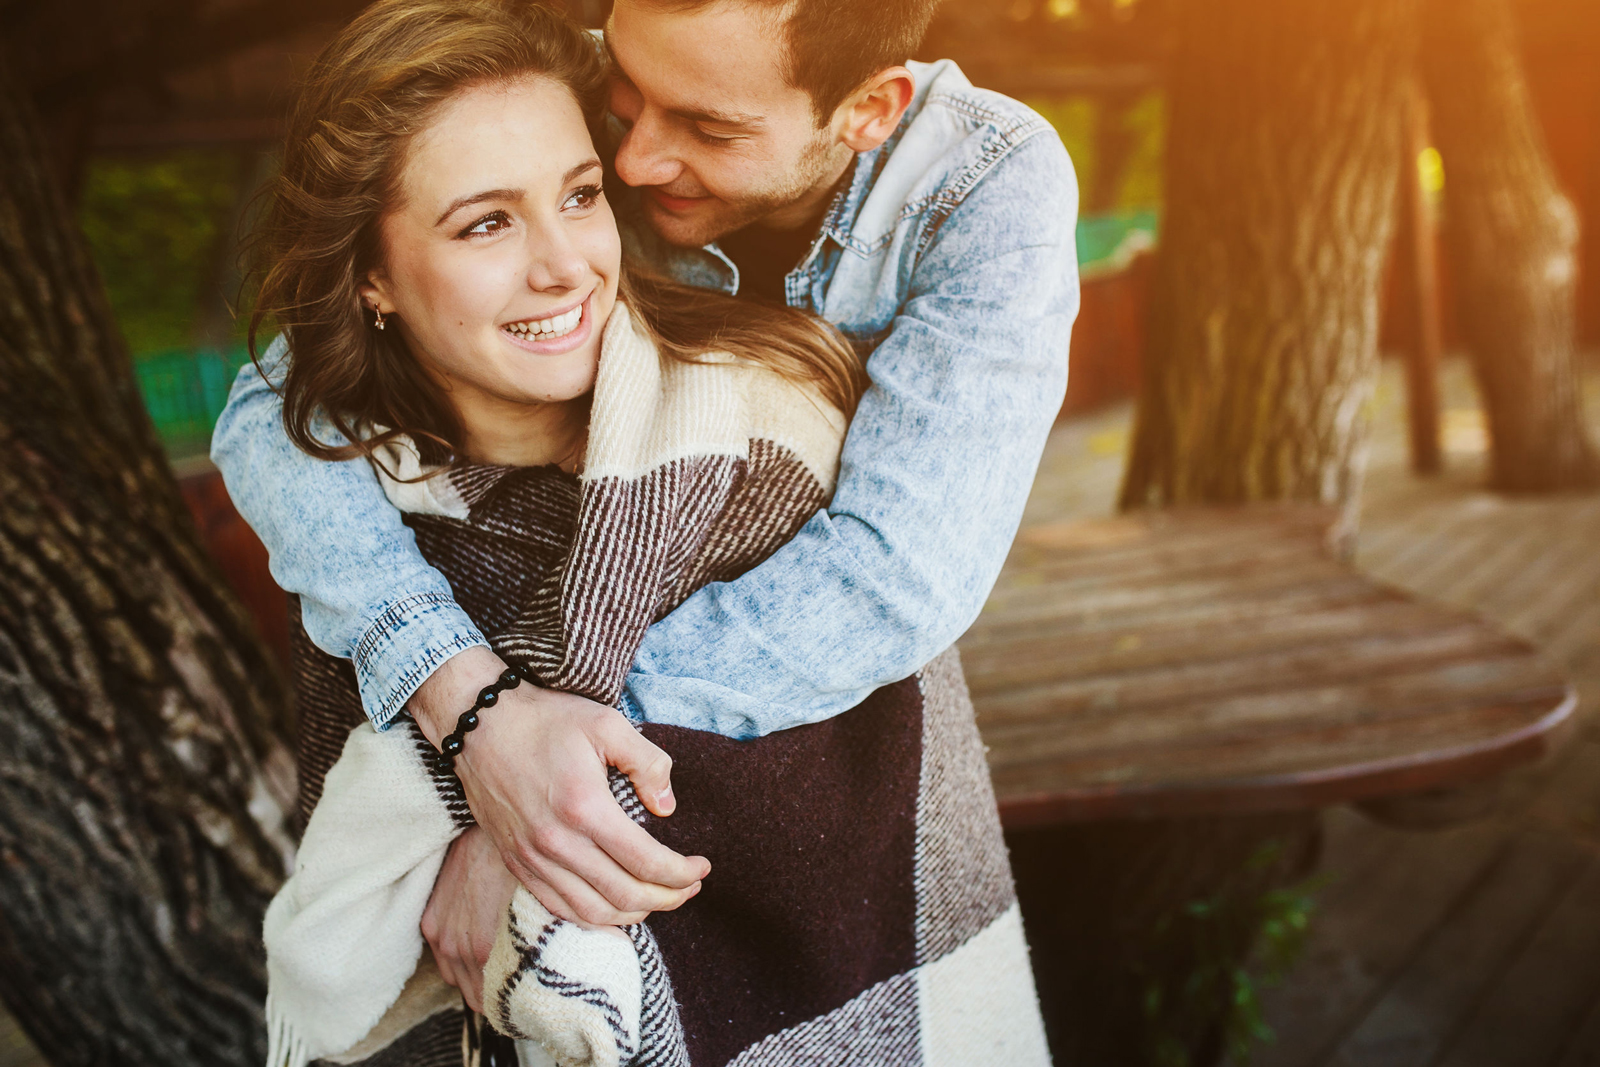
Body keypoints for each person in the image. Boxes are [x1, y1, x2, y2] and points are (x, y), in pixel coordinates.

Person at [215, 0, 1079, 1017]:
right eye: (627, 99)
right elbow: (280, 401)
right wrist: (466, 698)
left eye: (708, 130)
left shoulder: (982, 188)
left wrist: (541, 781)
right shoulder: (563, 89)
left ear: (867, 112)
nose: (629, 162)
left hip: (804, 758)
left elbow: (894, 572)